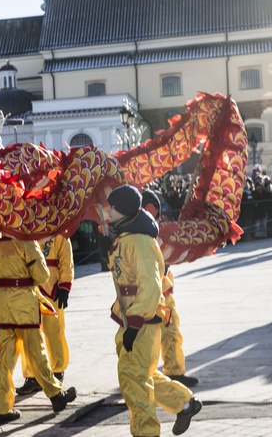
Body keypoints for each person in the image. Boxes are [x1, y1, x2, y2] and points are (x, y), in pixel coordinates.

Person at [105, 185, 201, 436]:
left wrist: (135, 323)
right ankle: (184, 403)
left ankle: (146, 432)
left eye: (112, 207)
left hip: (141, 320)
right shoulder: (127, 237)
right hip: (132, 317)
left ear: (123, 210)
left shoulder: (139, 241)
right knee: (139, 375)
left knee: (133, 378)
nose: (108, 210)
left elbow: (150, 284)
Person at [0, 234, 77, 425]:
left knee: (3, 359)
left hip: (1, 306)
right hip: (23, 306)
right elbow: (42, 275)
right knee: (38, 352)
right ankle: (56, 395)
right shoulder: (26, 243)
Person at [141, 190, 198, 388]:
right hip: (146, 296)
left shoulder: (162, 229)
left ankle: (175, 372)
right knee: (147, 339)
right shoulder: (134, 235)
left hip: (165, 290)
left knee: (171, 331)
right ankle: (143, 376)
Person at [16, 234, 74, 395]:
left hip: (52, 288)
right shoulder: (25, 231)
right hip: (29, 287)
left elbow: (66, 260)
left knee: (54, 330)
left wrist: (65, 286)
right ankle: (31, 375)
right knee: (29, 333)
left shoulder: (59, 232)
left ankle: (57, 369)